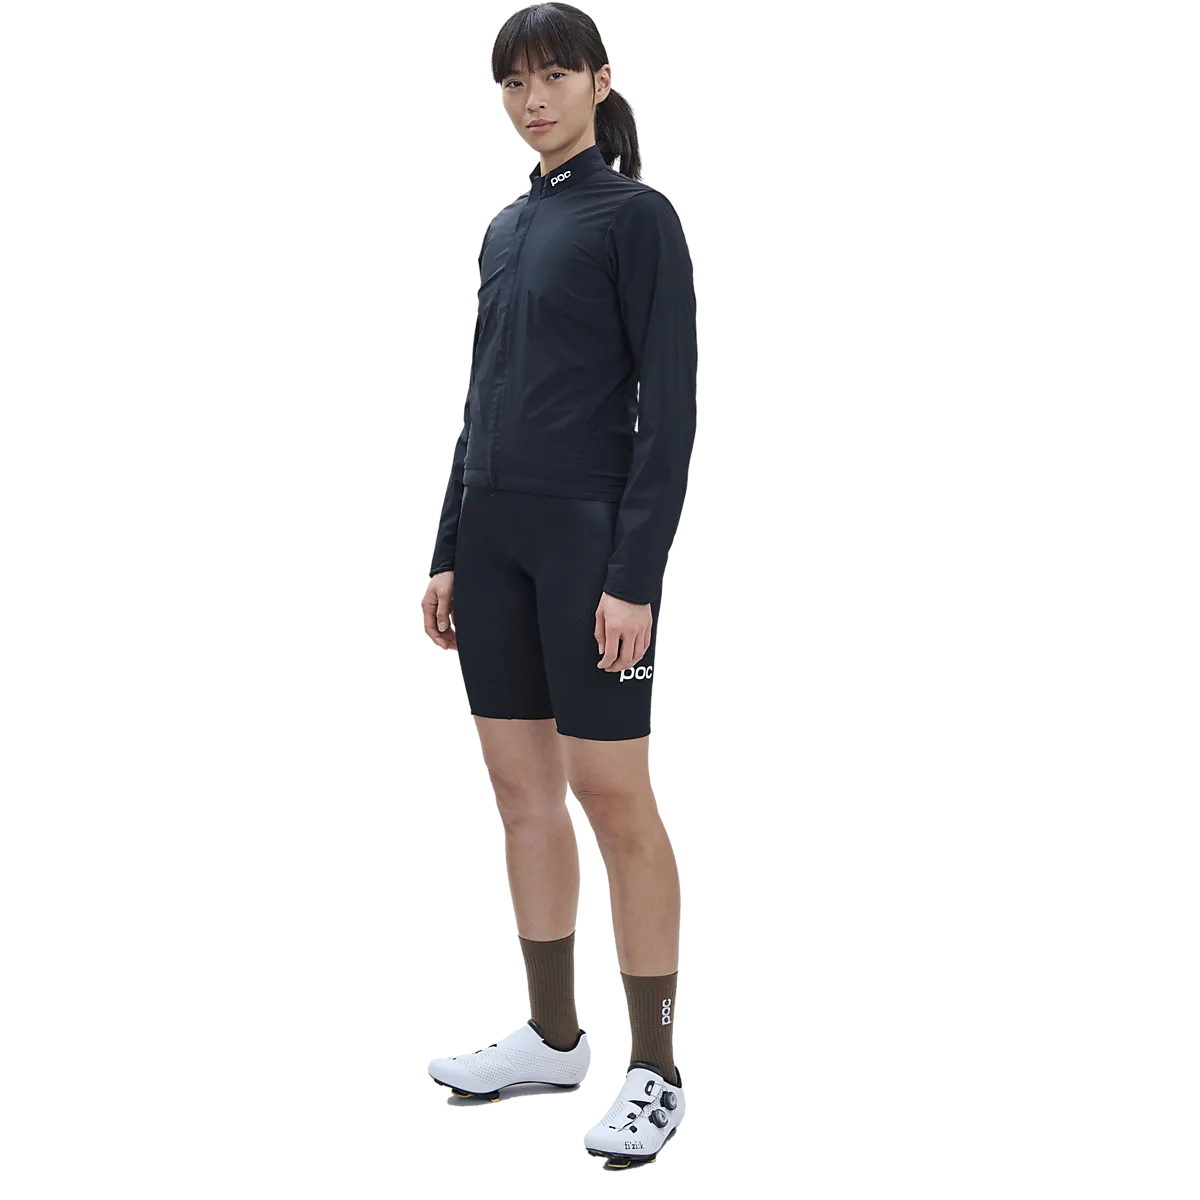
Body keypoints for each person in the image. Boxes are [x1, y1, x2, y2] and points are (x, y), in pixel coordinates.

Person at [421, 3, 696, 1169]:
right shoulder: (506, 224)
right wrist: (447, 547)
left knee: (613, 797)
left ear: (600, 81)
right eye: (514, 83)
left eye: (554, 77)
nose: (533, 100)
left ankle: (657, 1070)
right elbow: (484, 392)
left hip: (588, 542)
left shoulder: (638, 218)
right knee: (521, 793)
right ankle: (550, 1034)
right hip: (493, 539)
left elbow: (670, 413)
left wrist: (634, 576)